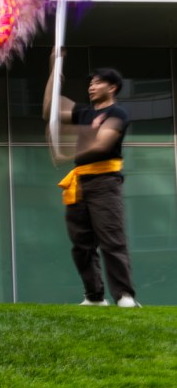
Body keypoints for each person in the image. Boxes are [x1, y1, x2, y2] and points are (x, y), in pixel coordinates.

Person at [44, 57, 138, 308]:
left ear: (112, 87)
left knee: (111, 240)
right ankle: (94, 296)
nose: (91, 86)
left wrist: (66, 157)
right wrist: (55, 72)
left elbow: (102, 145)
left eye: (98, 82)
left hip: (105, 182)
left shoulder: (117, 113)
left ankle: (124, 296)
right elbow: (48, 113)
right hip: (80, 183)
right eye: (91, 83)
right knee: (81, 244)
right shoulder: (84, 112)